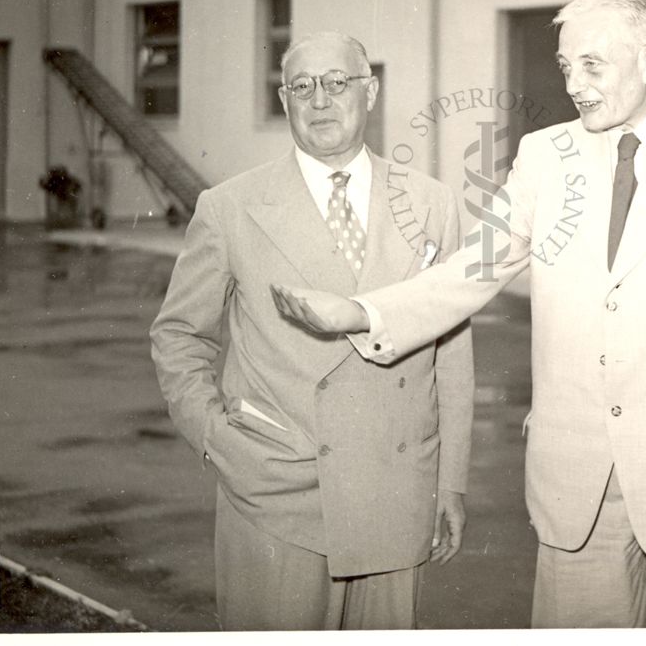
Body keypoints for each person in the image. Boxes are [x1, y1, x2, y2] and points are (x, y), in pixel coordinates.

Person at [273, 0, 646, 627]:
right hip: (575, 485)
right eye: (566, 66)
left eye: (593, 66)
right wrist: (362, 313)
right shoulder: (546, 156)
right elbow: (471, 270)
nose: (574, 83)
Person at [150, 32, 473, 631]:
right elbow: (179, 337)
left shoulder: (432, 204)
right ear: (283, 99)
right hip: (276, 493)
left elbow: (451, 354)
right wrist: (217, 438)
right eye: (302, 87)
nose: (320, 100)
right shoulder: (229, 207)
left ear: (370, 91)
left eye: (336, 83)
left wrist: (450, 481)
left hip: (397, 495)